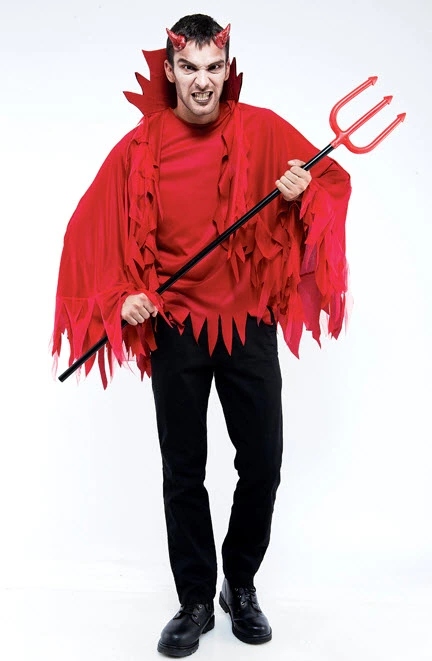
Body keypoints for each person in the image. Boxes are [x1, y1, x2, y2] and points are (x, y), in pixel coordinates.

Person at [52, 13, 351, 658]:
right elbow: (88, 230)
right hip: (177, 326)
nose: (202, 81)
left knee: (262, 463)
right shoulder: (140, 146)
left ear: (226, 68)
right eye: (188, 67)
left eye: (213, 68)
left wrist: (301, 191)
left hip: (248, 323)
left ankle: (238, 585)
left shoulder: (262, 129)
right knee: (183, 471)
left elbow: (331, 183)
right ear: (170, 70)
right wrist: (123, 296)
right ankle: (194, 598)